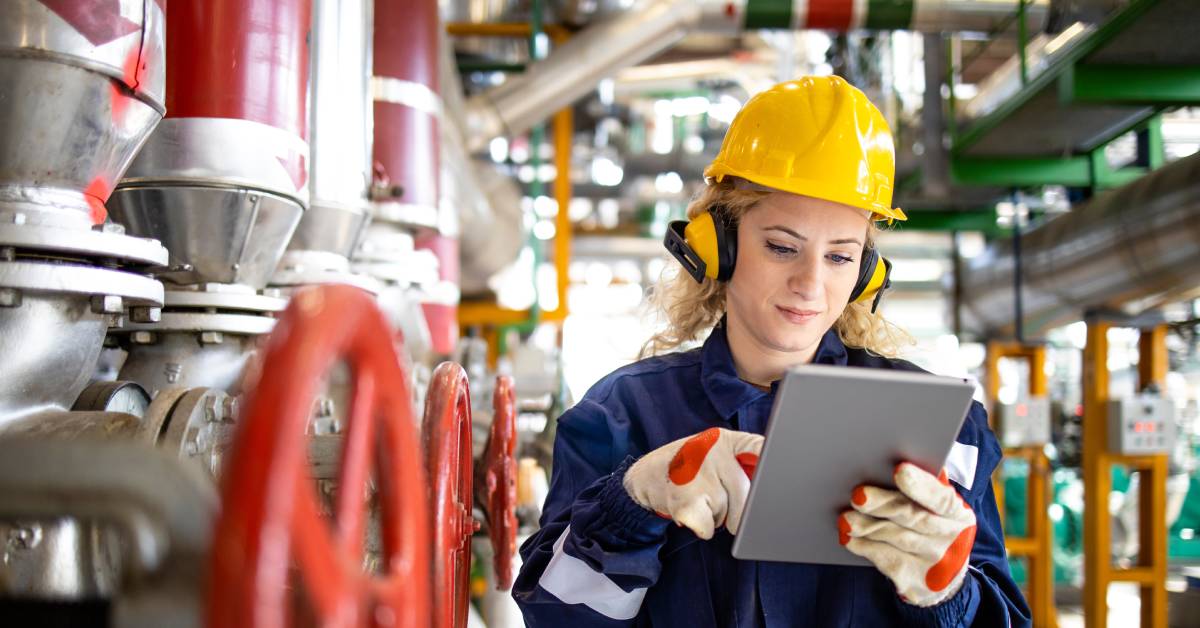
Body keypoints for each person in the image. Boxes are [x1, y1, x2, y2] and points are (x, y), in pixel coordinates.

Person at [512, 76, 1030, 627]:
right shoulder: (622, 414)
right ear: (719, 245)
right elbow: (558, 618)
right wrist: (634, 501)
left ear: (865, 274)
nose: (810, 284)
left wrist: (948, 594)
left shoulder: (943, 429)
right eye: (783, 247)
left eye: (839, 257)